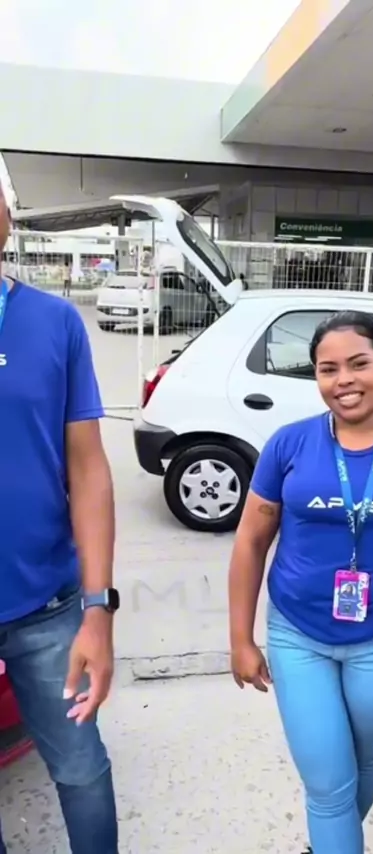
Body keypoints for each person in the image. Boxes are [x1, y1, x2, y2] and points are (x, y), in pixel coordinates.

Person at [228, 310, 373, 854]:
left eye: (358, 364)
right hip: (298, 635)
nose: (344, 381)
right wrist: (240, 638)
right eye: (327, 369)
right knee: (329, 787)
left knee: (364, 756)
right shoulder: (289, 445)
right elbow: (250, 542)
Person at [0, 183, 119, 854]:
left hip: (47, 607)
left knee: (81, 770)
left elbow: (89, 469)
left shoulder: (55, 322)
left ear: (8, 215)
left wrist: (99, 610)